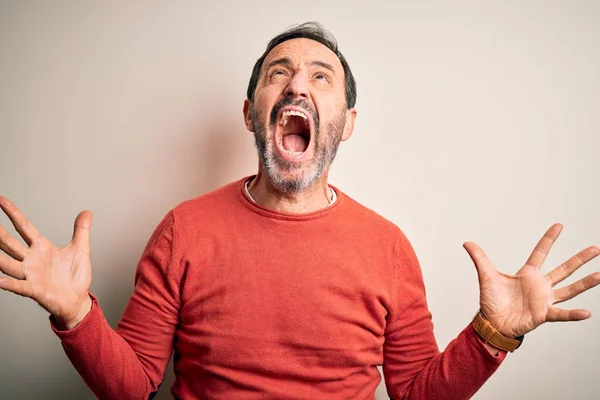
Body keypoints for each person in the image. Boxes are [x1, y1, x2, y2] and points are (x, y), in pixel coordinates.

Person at [0, 22, 598, 400]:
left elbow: (417, 395)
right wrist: (76, 314)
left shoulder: (387, 246)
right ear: (250, 111)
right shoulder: (184, 230)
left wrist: (493, 336)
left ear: (347, 124)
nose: (297, 86)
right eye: (278, 74)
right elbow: (131, 387)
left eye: (321, 76)